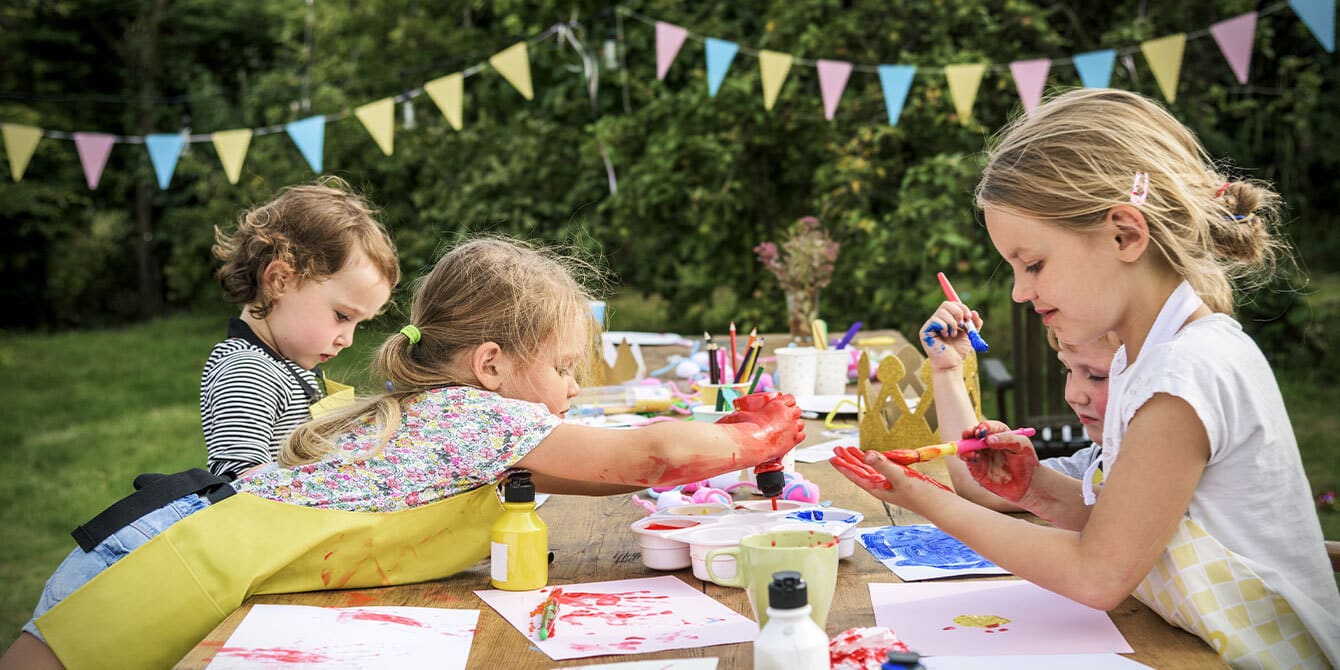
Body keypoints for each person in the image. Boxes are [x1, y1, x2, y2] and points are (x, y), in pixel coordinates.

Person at [2, 237, 806, 670]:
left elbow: (584, 473)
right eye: (563, 369)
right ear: (490, 364)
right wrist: (758, 437)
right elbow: (650, 459)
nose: (570, 392)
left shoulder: (449, 416)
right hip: (158, 561)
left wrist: (725, 452)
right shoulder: (475, 416)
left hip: (183, 548)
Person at [833, 89, 1340, 668]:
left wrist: (923, 499)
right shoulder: (1140, 359)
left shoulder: (1186, 374)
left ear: (1125, 233)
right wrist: (1034, 491)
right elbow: (1127, 530)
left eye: (1034, 264)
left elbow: (1097, 574)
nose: (1020, 292)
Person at [203, 176, 400, 479]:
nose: (347, 340)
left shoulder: (285, 367)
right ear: (280, 280)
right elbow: (239, 480)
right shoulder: (248, 370)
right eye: (342, 316)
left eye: (358, 325)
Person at [920, 300, 1116, 513]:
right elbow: (982, 489)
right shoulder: (1098, 462)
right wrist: (948, 370)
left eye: (1097, 376)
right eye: (1067, 370)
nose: (1072, 395)